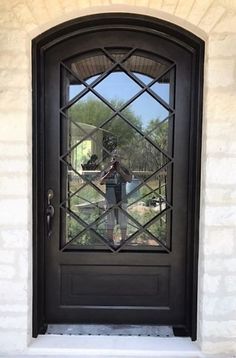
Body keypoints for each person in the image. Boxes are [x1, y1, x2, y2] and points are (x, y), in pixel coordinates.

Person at [100, 155, 132, 245]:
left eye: (117, 159)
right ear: (111, 160)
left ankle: (123, 240)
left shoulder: (124, 169)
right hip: (110, 198)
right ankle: (110, 241)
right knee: (110, 219)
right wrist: (110, 172)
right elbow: (101, 181)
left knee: (123, 219)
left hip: (122, 198)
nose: (115, 161)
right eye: (113, 159)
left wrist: (120, 171)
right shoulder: (107, 170)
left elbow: (129, 179)